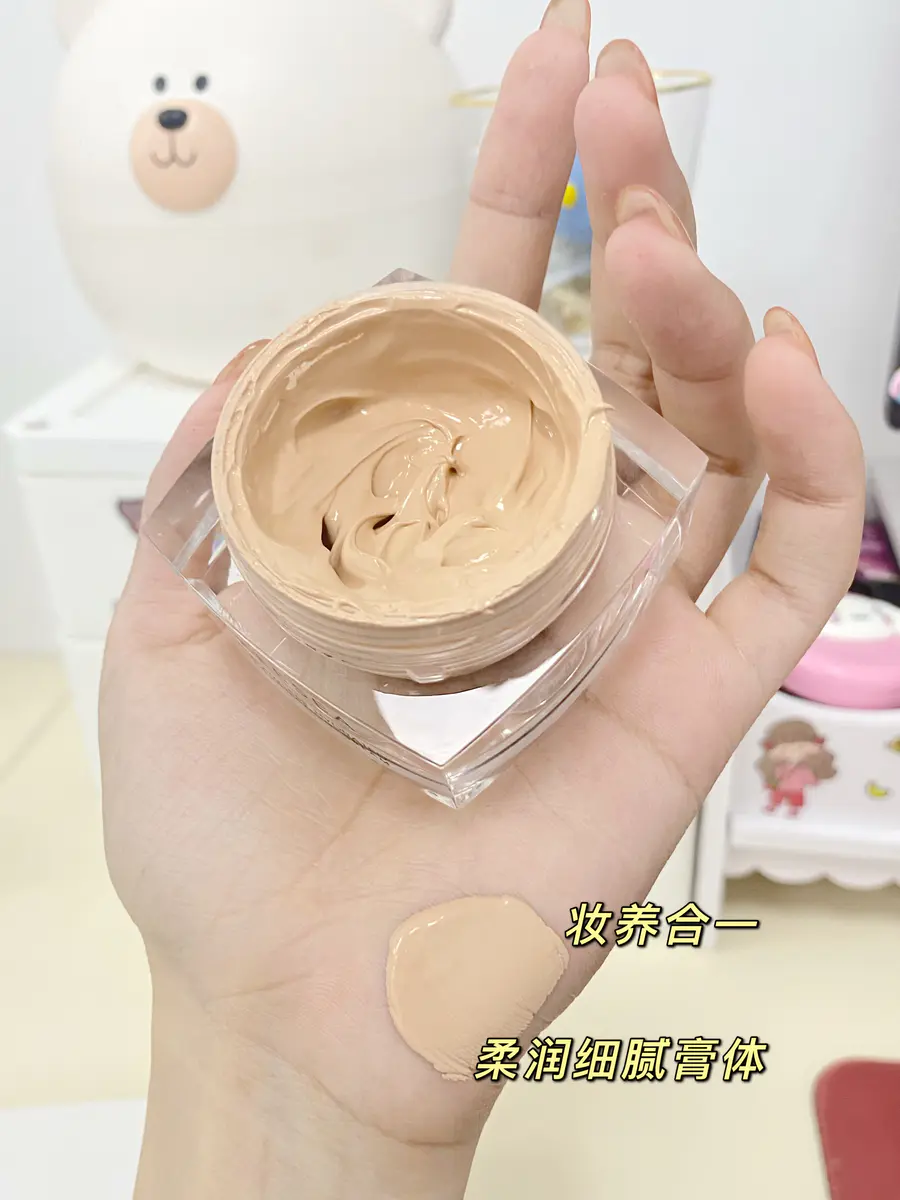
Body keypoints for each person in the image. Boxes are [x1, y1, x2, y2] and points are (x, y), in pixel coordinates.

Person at [99, 1, 866, 1194]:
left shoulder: (598, 490)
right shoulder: (250, 591)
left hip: (547, 530)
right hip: (331, 620)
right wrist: (249, 1041)